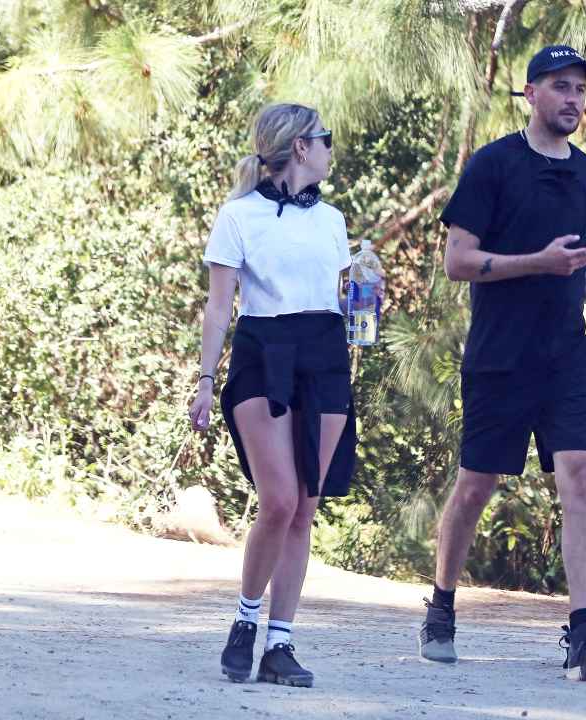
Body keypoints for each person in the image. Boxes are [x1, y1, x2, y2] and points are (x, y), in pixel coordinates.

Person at [418, 45, 586, 681]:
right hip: (500, 357)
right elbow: (458, 261)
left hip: (565, 353)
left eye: (581, 90)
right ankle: (441, 605)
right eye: (561, 86)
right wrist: (536, 263)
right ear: (530, 93)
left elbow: (572, 259)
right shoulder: (492, 166)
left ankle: (584, 635)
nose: (574, 99)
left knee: (580, 472)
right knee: (476, 485)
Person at [188, 102, 358, 687]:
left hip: (325, 352)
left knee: (306, 507)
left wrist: (367, 288)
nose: (333, 149)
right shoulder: (238, 216)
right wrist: (207, 381)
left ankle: (279, 643)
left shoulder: (333, 221)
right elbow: (218, 307)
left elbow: (339, 296)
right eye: (326, 138)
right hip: (265, 352)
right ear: (301, 149)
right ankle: (244, 617)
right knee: (279, 500)